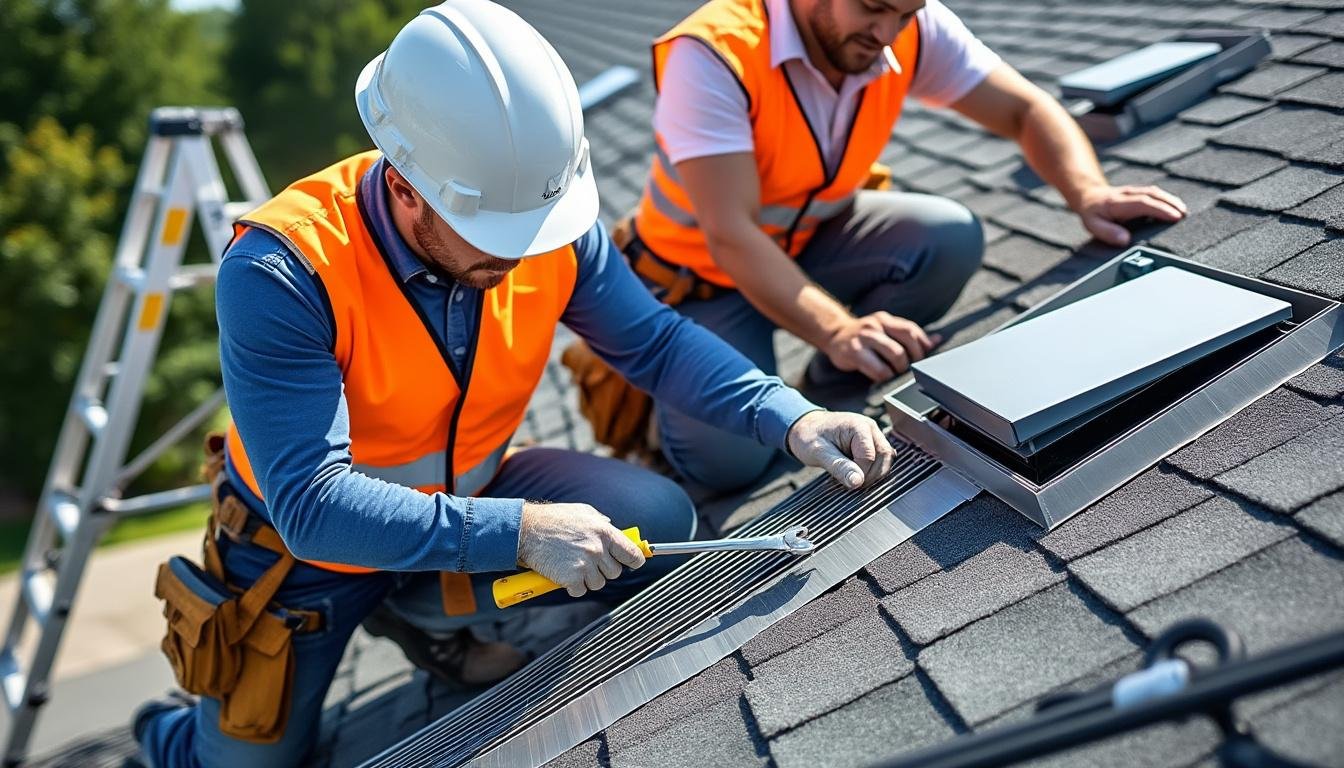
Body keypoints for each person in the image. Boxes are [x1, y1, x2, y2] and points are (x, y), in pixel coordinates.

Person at [131, 2, 895, 766]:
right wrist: (524, 532)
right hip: (309, 557)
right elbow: (313, 505)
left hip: (473, 484)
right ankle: (165, 734)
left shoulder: (539, 211)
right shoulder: (281, 271)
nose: (527, 257)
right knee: (247, 765)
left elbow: (655, 344)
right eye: (498, 239)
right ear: (404, 189)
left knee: (652, 518)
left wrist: (791, 417)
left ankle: (423, 610)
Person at [632, 0, 1189, 491]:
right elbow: (732, 233)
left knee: (945, 237)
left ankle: (835, 377)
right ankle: (663, 404)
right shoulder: (712, 53)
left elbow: (1024, 108)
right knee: (731, 464)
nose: (887, 33)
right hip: (706, 280)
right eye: (873, 7)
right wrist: (840, 330)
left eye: (904, 14)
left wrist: (1089, 192)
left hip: (813, 239)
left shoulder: (910, 24)